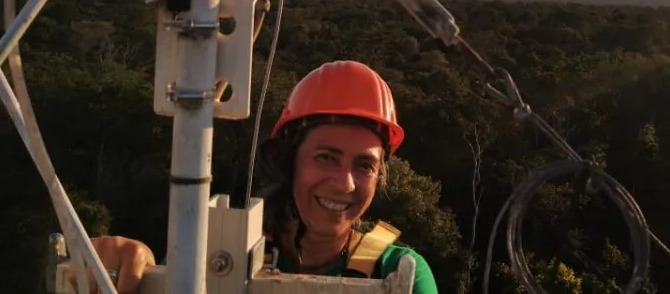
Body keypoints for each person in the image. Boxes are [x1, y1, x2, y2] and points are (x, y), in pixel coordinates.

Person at [82, 61, 438, 294]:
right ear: (288, 162)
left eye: (364, 165)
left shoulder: (398, 274)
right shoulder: (218, 256)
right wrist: (139, 271)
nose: (345, 183)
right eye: (326, 157)